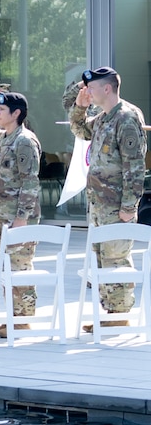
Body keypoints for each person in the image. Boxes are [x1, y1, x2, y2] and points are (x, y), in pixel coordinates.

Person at [69, 66, 147, 332]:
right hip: (100, 205)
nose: (87, 91)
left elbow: (135, 166)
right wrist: (80, 107)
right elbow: (80, 131)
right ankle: (110, 314)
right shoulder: (103, 117)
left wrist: (129, 206)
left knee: (116, 259)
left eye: (91, 88)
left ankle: (119, 315)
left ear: (107, 88)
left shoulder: (126, 117)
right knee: (101, 260)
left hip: (116, 206)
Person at [0, 93, 42, 338]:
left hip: (16, 216)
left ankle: (23, 321)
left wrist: (22, 217)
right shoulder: (3, 138)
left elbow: (30, 182)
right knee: (6, 270)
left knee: (20, 267)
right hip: (0, 215)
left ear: (16, 114)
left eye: (1, 109)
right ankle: (14, 318)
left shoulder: (24, 141)